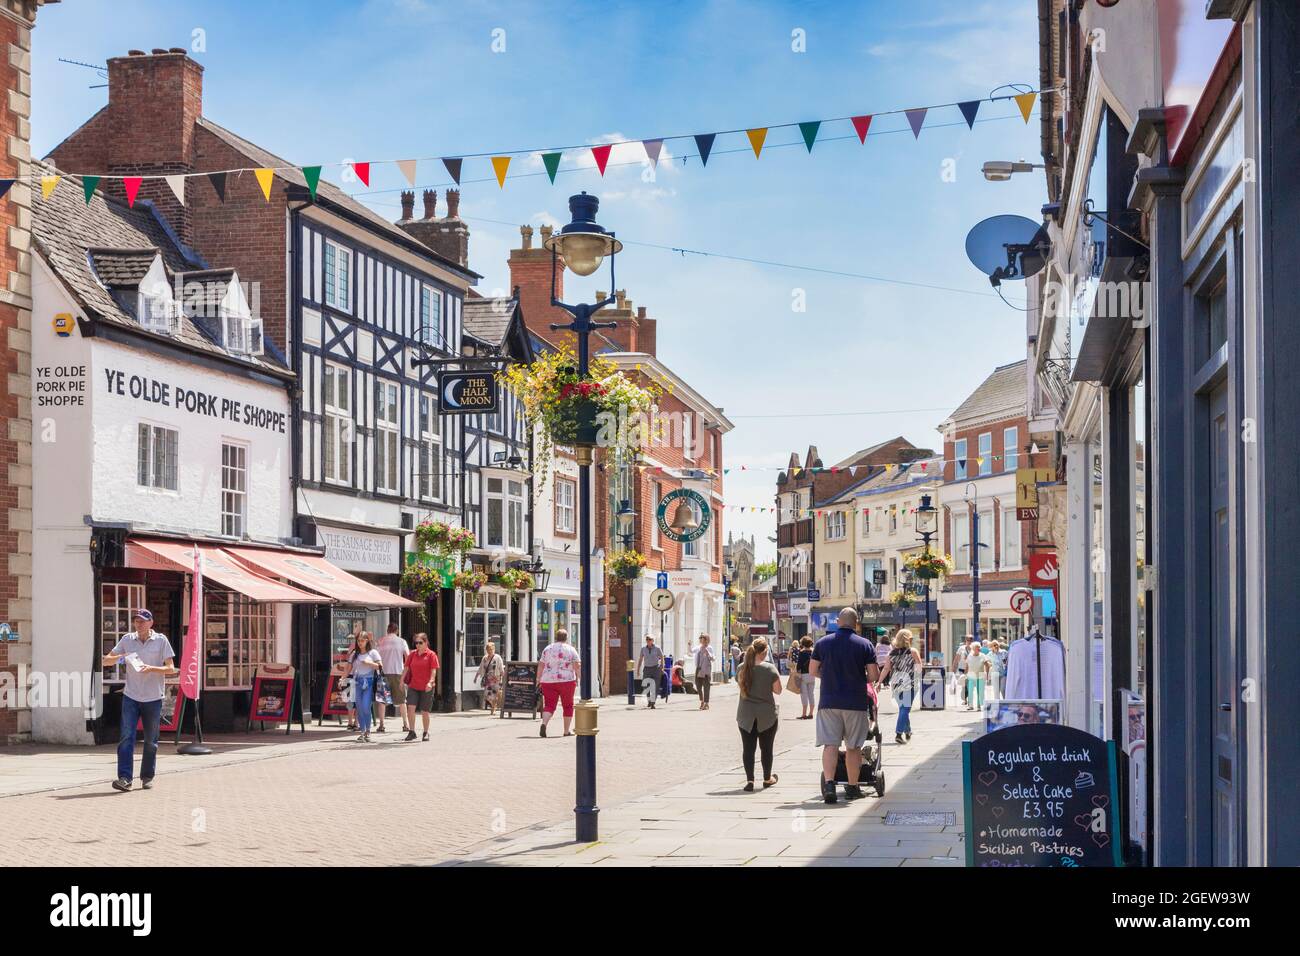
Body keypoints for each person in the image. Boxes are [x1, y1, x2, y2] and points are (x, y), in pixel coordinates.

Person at [101, 609, 176, 792]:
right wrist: (121, 657)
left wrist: (151, 668)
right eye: (136, 621)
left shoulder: (161, 640)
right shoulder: (127, 639)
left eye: (143, 621)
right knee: (126, 737)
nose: (139, 624)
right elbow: (105, 661)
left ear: (151, 623)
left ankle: (147, 776)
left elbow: (171, 669)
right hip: (131, 696)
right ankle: (125, 778)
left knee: (151, 740)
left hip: (153, 698)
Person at [810, 607, 879, 803]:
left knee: (830, 744)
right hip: (855, 702)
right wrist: (857, 677)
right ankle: (852, 787)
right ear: (856, 623)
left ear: (839, 621)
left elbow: (813, 670)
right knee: (853, 747)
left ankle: (830, 784)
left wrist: (830, 676)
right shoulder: (865, 645)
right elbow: (873, 676)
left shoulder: (823, 643)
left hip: (829, 701)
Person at [735, 637, 782, 792]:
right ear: (764, 652)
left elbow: (740, 684)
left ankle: (750, 780)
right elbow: (778, 690)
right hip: (766, 715)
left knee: (748, 749)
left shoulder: (742, 668)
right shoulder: (769, 669)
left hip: (745, 715)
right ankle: (767, 778)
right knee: (766, 748)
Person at [878, 628, 924, 744]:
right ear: (908, 639)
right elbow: (919, 667)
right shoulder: (912, 651)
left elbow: (886, 669)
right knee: (905, 709)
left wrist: (879, 682)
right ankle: (898, 733)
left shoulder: (891, 653)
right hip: (909, 683)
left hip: (896, 684)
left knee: (903, 708)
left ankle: (907, 731)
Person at [537, 628, 581, 737]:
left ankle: (544, 723)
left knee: (549, 705)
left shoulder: (547, 649)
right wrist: (581, 678)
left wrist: (538, 679)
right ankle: (566, 731)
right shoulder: (571, 649)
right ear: (566, 638)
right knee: (568, 705)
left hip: (548, 681)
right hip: (567, 681)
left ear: (556, 637)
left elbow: (541, 665)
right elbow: (577, 666)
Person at [402, 632, 439, 741]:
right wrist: (401, 680)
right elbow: (406, 668)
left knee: (424, 711)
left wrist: (430, 682)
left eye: (420, 643)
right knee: (410, 708)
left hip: (426, 687)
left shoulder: (431, 655)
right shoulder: (412, 654)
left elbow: (433, 671)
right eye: (416, 643)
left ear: (426, 642)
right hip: (413, 685)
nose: (418, 645)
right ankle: (412, 731)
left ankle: (426, 732)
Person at [376, 622, 409, 734]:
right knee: (402, 700)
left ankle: (381, 725)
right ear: (397, 630)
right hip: (398, 672)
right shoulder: (402, 641)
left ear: (387, 630)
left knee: (382, 700)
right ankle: (405, 724)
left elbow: (376, 657)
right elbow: (407, 657)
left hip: (384, 673)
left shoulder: (381, 641)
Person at [350, 632, 383, 742]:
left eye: (362, 640)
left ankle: (368, 731)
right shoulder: (355, 654)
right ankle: (362, 732)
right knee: (359, 708)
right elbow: (348, 667)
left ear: (367, 641)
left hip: (368, 682)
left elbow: (379, 666)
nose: (360, 643)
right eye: (358, 641)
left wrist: (369, 663)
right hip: (358, 682)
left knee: (365, 706)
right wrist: (342, 678)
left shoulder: (373, 653)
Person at [475, 640, 505, 716]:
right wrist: (476, 677)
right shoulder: (484, 658)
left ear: (494, 649)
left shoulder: (497, 657)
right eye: (488, 649)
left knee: (494, 694)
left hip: (496, 679)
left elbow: (501, 668)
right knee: (487, 695)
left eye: (491, 649)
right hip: (488, 680)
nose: (489, 651)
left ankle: (493, 708)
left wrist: (503, 676)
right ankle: (493, 705)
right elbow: (481, 668)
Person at [636, 635, 665, 709]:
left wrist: (662, 667)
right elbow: (640, 659)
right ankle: (649, 700)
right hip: (647, 669)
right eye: (647, 639)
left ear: (653, 641)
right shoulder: (643, 649)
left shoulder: (657, 648)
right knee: (645, 685)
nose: (648, 641)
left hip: (656, 668)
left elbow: (662, 657)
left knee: (656, 686)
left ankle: (653, 702)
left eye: (650, 639)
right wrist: (638, 669)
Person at [965, 641, 990, 711]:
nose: (979, 648)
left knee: (980, 692)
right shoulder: (969, 655)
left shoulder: (982, 655)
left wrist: (987, 674)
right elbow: (967, 665)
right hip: (971, 676)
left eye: (979, 647)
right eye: (977, 647)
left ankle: (980, 706)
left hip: (980, 676)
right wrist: (965, 674)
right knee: (970, 691)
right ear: (973, 648)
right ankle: (970, 706)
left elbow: (987, 665)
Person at [796, 635, 816, 719]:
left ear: (803, 644)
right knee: (811, 694)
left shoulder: (801, 652)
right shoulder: (813, 652)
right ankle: (811, 713)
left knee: (804, 694)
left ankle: (804, 714)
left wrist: (797, 671)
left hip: (804, 675)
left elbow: (799, 665)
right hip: (812, 675)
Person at [694, 635, 715, 710]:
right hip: (699, 669)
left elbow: (713, 659)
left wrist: (708, 653)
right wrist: (689, 646)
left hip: (706, 670)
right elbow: (691, 652)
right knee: (698, 685)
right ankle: (702, 700)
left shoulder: (709, 648)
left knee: (706, 687)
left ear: (707, 640)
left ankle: (706, 703)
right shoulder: (698, 647)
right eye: (701, 640)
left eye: (703, 640)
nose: (702, 641)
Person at [954, 634, 974, 704]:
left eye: (971, 640)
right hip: (962, 669)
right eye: (967, 640)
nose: (969, 641)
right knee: (964, 685)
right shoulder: (961, 648)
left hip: (971, 669)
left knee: (969, 685)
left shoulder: (974, 648)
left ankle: (968, 699)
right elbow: (956, 659)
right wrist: (953, 669)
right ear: (965, 640)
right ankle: (965, 699)